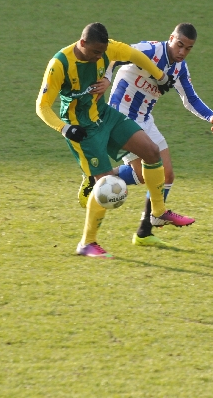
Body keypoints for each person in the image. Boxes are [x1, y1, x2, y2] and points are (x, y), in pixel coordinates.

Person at [36, 22, 193, 258]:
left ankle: (158, 211)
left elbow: (133, 55)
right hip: (81, 127)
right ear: (82, 43)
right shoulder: (59, 64)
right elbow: (42, 106)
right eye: (95, 53)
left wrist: (160, 76)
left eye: (102, 52)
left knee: (151, 152)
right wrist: (65, 129)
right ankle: (87, 243)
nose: (100, 57)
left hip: (106, 115)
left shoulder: (108, 49)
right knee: (107, 187)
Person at [103, 23, 213, 241]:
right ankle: (99, 178)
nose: (182, 52)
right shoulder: (149, 51)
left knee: (165, 175)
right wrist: (106, 79)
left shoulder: (180, 68)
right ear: (171, 38)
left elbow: (190, 98)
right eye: (180, 45)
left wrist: (211, 115)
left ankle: (145, 230)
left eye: (188, 49)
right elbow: (115, 55)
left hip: (145, 119)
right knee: (148, 172)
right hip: (121, 116)